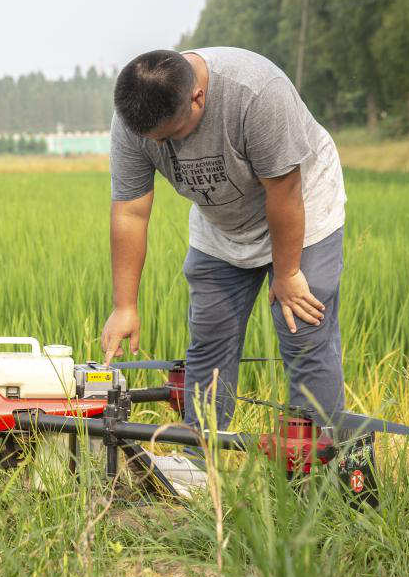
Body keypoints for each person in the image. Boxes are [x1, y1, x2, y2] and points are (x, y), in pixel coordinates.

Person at [101, 46, 349, 490]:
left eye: (170, 135)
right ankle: (198, 465)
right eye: (154, 140)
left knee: (302, 330)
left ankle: (319, 474)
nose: (162, 147)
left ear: (197, 98)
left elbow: (285, 190)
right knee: (210, 336)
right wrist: (125, 306)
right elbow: (130, 214)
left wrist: (288, 273)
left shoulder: (256, 93)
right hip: (221, 222)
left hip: (301, 209)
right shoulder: (134, 120)